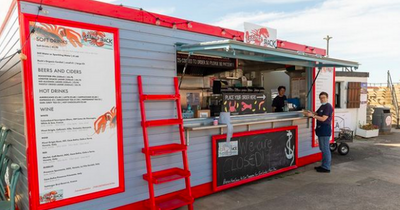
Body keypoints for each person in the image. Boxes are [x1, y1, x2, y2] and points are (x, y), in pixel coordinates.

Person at [306, 92, 333, 173]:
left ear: (327, 98)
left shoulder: (328, 106)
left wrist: (313, 116)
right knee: (322, 148)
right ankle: (323, 165)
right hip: (320, 130)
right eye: (321, 98)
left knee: (325, 149)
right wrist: (310, 112)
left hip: (325, 129)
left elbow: (323, 118)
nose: (322, 99)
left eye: (324, 97)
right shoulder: (322, 106)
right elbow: (317, 113)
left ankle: (326, 167)